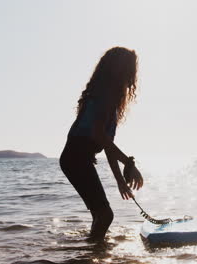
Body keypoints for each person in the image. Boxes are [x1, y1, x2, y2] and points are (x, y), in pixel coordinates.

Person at [59, 47, 144, 241]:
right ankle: (92, 252)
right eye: (131, 69)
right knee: (105, 215)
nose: (133, 75)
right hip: (75, 158)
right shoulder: (104, 95)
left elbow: (107, 145)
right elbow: (99, 135)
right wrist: (129, 164)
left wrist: (120, 181)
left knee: (100, 214)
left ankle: (90, 253)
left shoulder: (107, 96)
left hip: (78, 158)